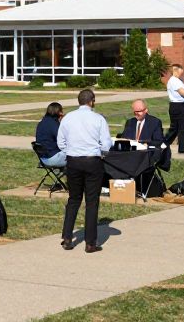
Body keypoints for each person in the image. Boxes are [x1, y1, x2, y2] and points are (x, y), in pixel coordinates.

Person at [57, 89, 111, 253]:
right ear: (92, 101)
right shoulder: (98, 118)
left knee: (73, 199)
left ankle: (67, 237)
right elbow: (107, 144)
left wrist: (71, 151)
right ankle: (90, 243)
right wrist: (101, 152)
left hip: (73, 161)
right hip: (92, 161)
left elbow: (61, 142)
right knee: (92, 201)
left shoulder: (68, 118)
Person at [164, 64, 184, 154]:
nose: (182, 72)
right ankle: (182, 148)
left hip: (175, 106)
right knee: (183, 127)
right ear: (176, 70)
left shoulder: (174, 81)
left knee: (175, 128)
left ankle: (163, 144)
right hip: (180, 106)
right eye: (181, 70)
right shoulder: (174, 81)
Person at [35, 102, 66, 168]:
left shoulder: (41, 123)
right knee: (79, 157)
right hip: (52, 158)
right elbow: (63, 139)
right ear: (59, 112)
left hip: (43, 158)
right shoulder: (53, 124)